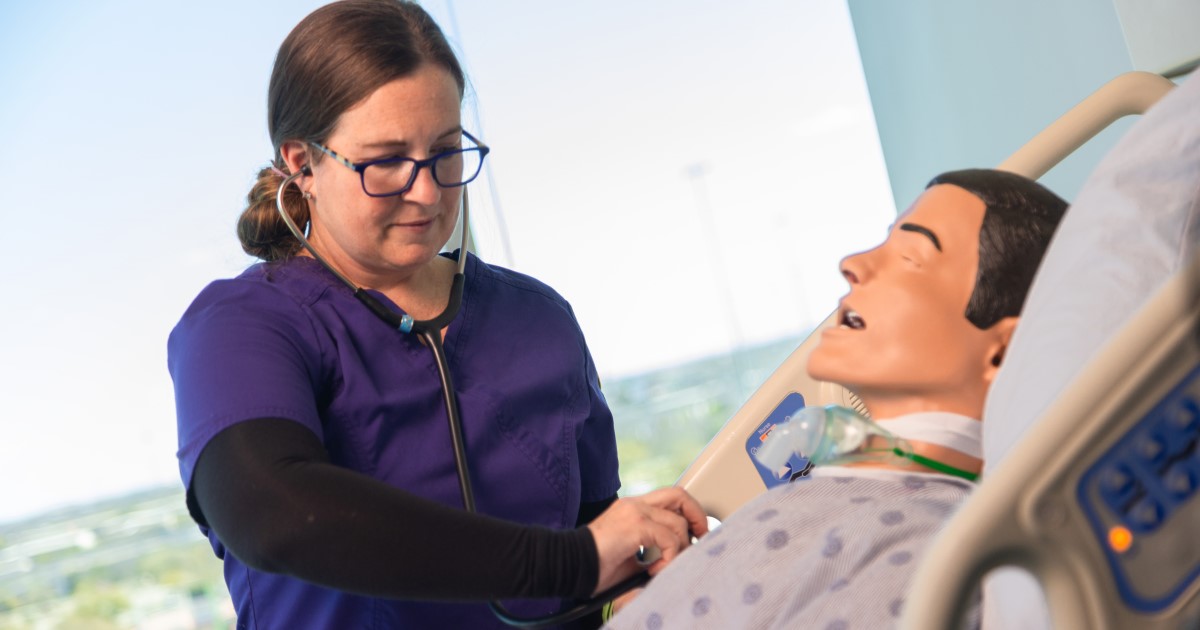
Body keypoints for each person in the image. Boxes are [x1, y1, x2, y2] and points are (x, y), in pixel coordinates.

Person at [166, 2, 705, 628]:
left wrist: (632, 574)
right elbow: (274, 512)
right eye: (386, 161)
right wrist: (571, 562)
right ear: (302, 163)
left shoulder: (537, 320)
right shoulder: (243, 327)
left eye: (446, 152)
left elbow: (596, 540)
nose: (426, 190)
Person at [603, 168, 1069, 629]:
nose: (853, 263)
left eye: (910, 256)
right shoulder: (853, 496)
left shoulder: (926, 550)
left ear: (1003, 352)